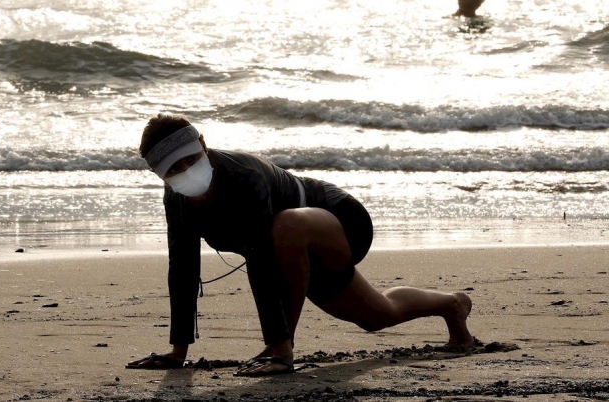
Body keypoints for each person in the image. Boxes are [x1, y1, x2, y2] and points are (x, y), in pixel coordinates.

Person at [126, 114, 474, 377]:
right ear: (160, 174)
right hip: (294, 256)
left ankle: (282, 347)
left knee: (284, 225)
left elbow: (261, 260)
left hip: (337, 221)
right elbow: (183, 269)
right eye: (175, 168)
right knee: (378, 316)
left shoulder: (245, 177)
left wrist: (280, 348)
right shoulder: (177, 200)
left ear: (202, 143)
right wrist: (177, 351)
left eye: (191, 158)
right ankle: (451, 305)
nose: (186, 170)